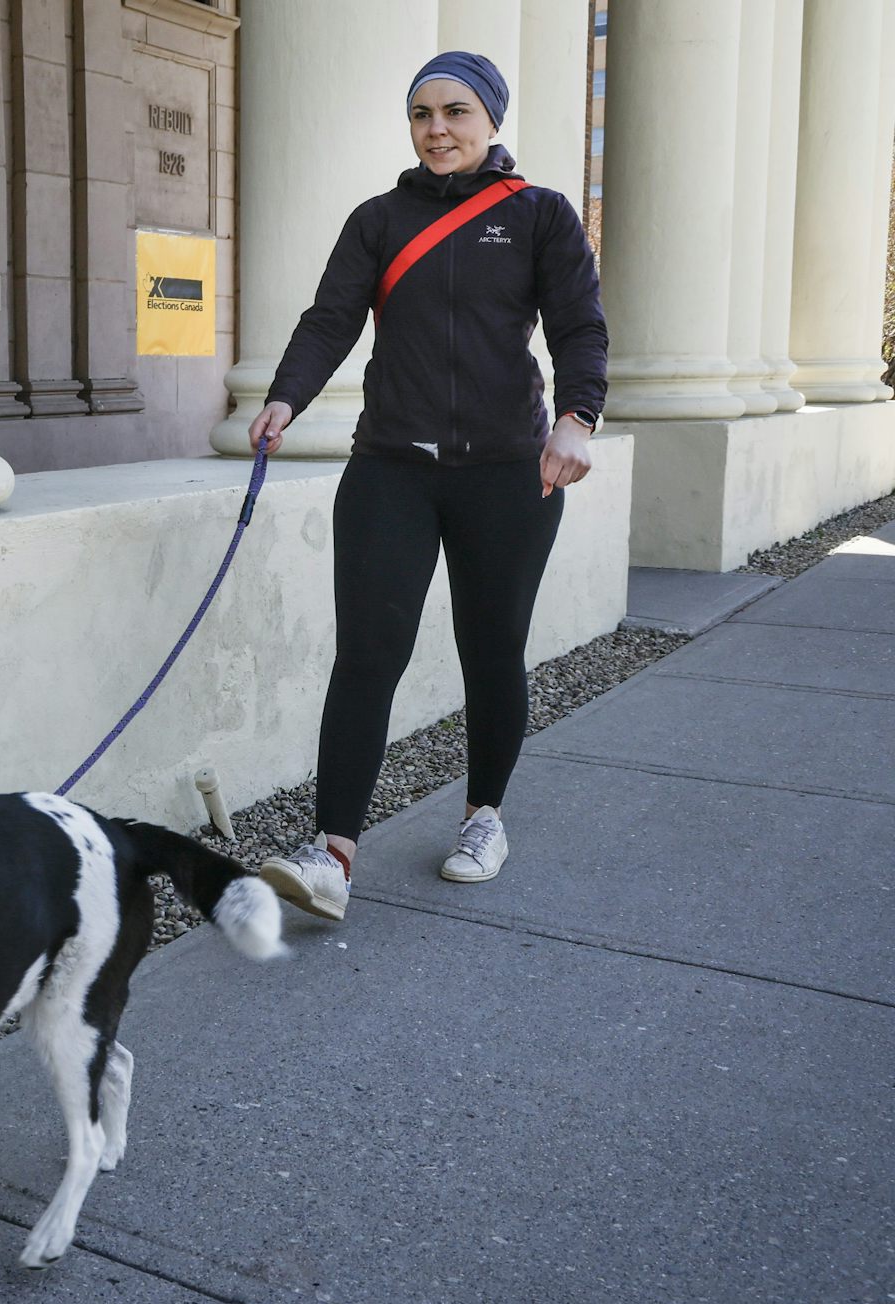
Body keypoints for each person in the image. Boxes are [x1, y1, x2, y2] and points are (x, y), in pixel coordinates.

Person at [253, 51, 606, 923]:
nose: (438, 128)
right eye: (422, 115)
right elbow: (330, 316)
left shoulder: (541, 217)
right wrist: (284, 397)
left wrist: (578, 417)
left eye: (455, 111)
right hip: (390, 469)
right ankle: (333, 853)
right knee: (367, 653)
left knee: (491, 652)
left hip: (507, 473)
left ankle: (484, 815)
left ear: (490, 119)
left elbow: (577, 325)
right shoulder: (378, 220)